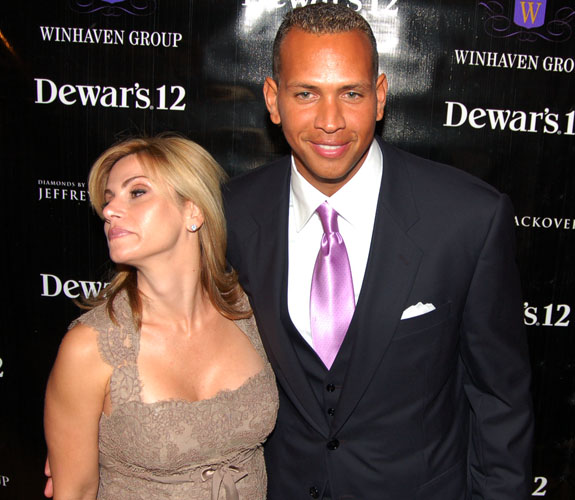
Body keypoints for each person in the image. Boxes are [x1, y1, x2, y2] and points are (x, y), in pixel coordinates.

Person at [223, 4, 533, 499]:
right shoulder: (230, 214)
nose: (330, 122)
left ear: (381, 97)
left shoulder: (467, 218)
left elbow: (500, 401)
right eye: (306, 93)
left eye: (351, 93)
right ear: (273, 99)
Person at [44, 135, 278, 499]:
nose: (109, 211)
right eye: (108, 200)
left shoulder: (247, 308)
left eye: (136, 192)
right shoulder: (90, 348)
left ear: (193, 211)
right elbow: (74, 491)